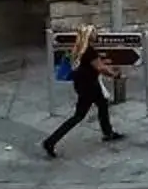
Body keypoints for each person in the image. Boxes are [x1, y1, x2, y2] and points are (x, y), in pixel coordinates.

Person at [42, 24, 124, 156]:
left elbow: (95, 65)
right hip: (89, 86)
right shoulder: (90, 51)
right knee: (78, 116)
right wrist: (115, 75)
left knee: (102, 104)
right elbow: (100, 68)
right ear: (89, 35)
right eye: (94, 32)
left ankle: (108, 132)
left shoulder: (80, 48)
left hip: (83, 84)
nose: (97, 34)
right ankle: (50, 141)